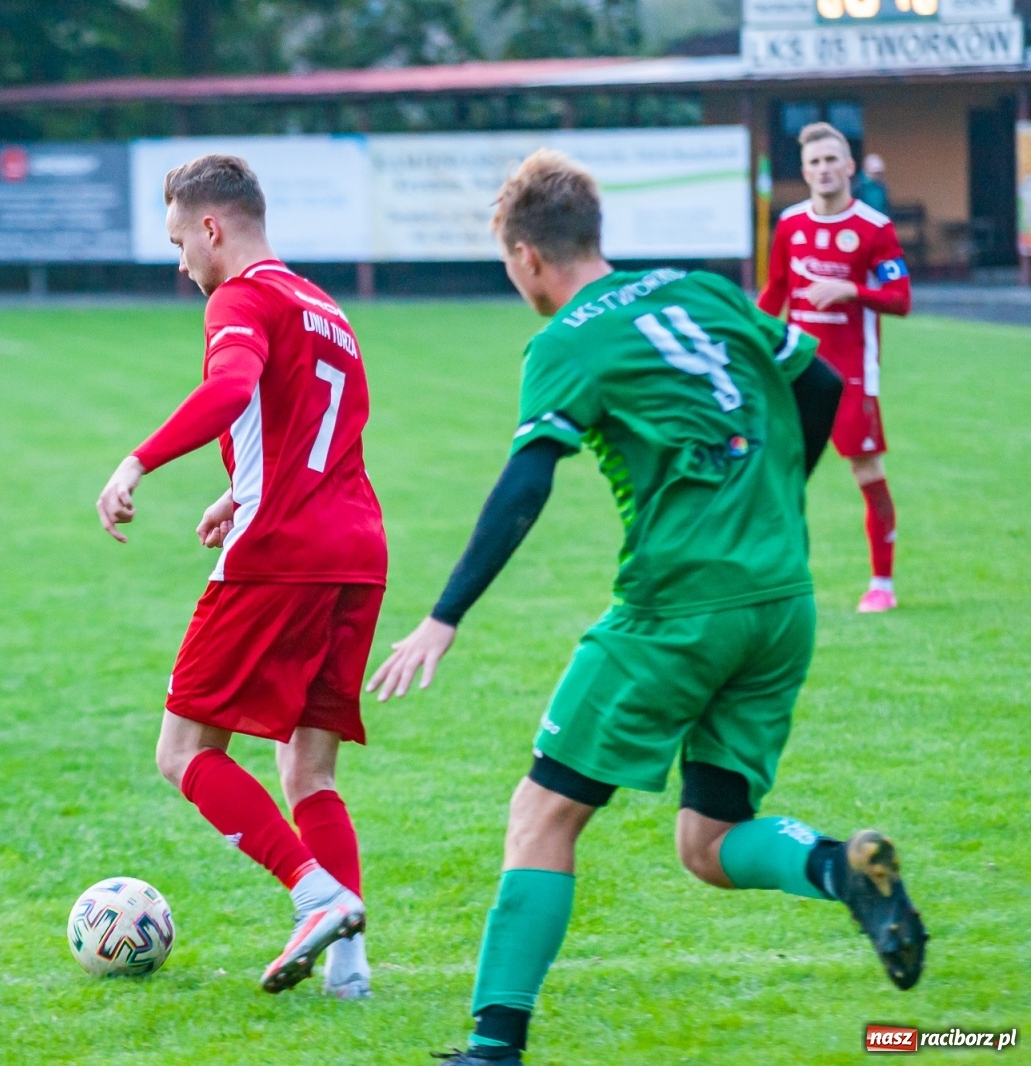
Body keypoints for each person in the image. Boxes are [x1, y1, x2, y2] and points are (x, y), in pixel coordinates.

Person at [368, 150, 926, 1064]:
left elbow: (525, 482)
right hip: (782, 602)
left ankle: (492, 1046)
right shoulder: (701, 291)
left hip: (675, 612)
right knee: (707, 843)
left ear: (527, 257)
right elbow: (819, 383)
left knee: (542, 815)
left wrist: (445, 613)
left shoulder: (564, 341)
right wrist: (779, 496)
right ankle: (840, 869)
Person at [95, 154, 386, 999]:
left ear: (212, 228)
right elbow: (317, 429)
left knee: (182, 751)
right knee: (310, 771)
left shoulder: (242, 295)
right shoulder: (322, 304)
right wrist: (239, 485)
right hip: (357, 551)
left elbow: (230, 389)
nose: (181, 263)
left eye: (181, 241)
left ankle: (314, 893)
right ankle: (349, 971)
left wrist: (138, 460)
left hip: (282, 552)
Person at [760, 123, 911, 612]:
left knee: (867, 471)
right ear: (804, 171)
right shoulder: (789, 225)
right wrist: (751, 341)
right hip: (797, 371)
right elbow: (775, 293)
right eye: (815, 163)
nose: (824, 170)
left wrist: (852, 290)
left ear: (849, 167)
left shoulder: (874, 228)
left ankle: (882, 584)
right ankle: (773, 580)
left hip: (852, 375)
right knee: (777, 474)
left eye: (832, 160)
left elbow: (901, 299)